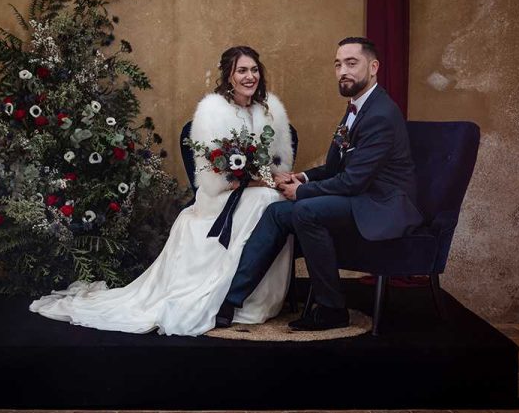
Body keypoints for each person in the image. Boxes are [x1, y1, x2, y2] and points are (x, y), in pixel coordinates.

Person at [30, 46, 295, 336]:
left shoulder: (271, 110)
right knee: (268, 198)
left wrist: (274, 179)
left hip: (258, 187)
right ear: (229, 76)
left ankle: (260, 299)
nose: (250, 76)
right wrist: (260, 182)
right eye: (242, 70)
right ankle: (232, 297)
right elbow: (214, 180)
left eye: (254, 70)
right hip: (220, 197)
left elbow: (278, 162)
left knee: (277, 199)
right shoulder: (213, 111)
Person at [216, 37, 422, 331]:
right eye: (338, 65)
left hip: (382, 204)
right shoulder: (356, 107)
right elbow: (338, 167)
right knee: (276, 213)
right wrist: (305, 177)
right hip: (361, 196)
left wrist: (301, 191)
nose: (343, 71)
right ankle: (231, 300)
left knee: (305, 210)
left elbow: (353, 181)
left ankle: (331, 309)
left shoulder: (380, 114)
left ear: (373, 67)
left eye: (352, 63)